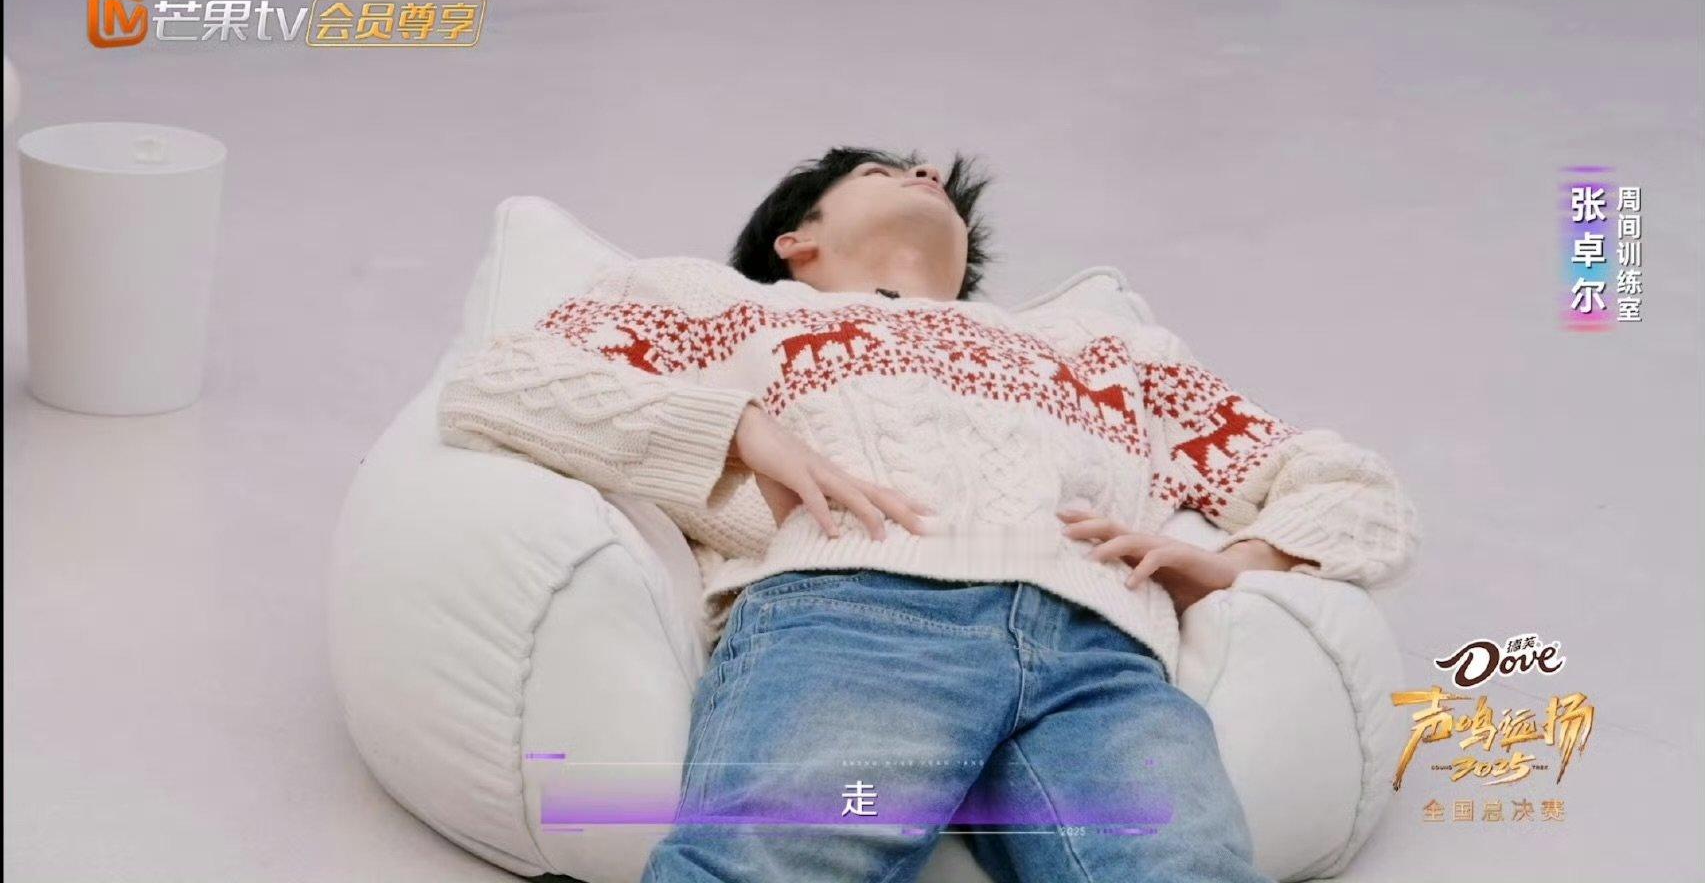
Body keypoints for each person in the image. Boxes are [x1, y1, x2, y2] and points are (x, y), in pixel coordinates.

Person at [437, 147, 1421, 883]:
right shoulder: (731, 307)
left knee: (1183, 868)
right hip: (856, 617)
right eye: (880, 170)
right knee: (774, 862)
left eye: (928, 175)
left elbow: (1347, 482)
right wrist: (739, 430)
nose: (923, 172)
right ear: (795, 241)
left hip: (1104, 656)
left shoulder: (1104, 348)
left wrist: (1243, 559)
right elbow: (501, 383)